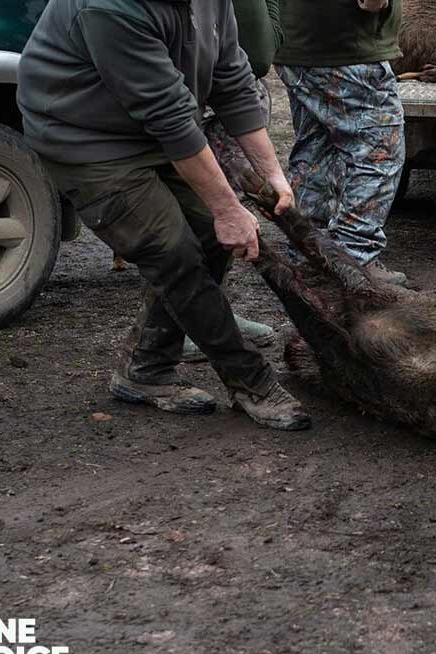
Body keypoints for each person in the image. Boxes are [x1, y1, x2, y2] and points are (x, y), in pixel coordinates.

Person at [17, 0, 310, 431]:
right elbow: (170, 118)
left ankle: (146, 368)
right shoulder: (109, 7)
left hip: (149, 128)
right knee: (171, 249)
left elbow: (232, 75)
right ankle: (252, 382)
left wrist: (273, 175)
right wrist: (229, 208)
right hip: (84, 138)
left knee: (210, 234)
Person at [272, 0, 409, 288]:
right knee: (379, 150)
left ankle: (308, 254)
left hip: (296, 43)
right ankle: (352, 259)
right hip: (345, 48)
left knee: (316, 149)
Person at [181, 0, 284, 363]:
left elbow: (247, 55)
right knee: (195, 217)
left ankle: (212, 309)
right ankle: (187, 323)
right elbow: (258, 53)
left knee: (221, 219)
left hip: (218, 95)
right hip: (188, 106)